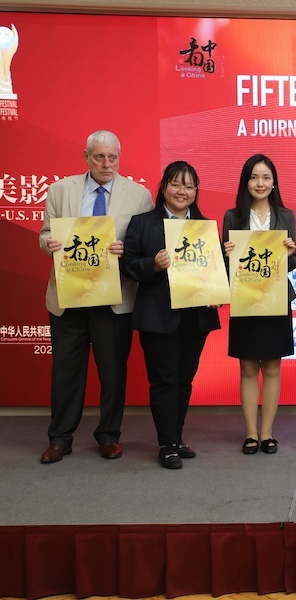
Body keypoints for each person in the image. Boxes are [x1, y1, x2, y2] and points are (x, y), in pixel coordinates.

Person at [38, 130, 153, 464]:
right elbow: (45, 234)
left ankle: (108, 435)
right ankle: (60, 438)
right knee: (66, 371)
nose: (106, 164)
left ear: (119, 158)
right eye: (99, 157)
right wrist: (49, 243)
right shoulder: (60, 190)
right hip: (68, 296)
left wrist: (126, 248)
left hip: (113, 297)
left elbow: (145, 242)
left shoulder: (139, 195)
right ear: (86, 157)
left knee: (113, 372)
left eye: (112, 157)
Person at [122, 161, 221, 469]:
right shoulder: (142, 223)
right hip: (158, 315)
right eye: (176, 184)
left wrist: (216, 294)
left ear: (196, 191)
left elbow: (215, 271)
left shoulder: (204, 226)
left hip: (195, 317)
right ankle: (166, 444)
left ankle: (176, 438)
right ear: (164, 187)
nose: (182, 191)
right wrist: (153, 264)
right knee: (163, 380)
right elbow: (127, 264)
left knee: (183, 380)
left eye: (189, 186)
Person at [222, 155, 296, 455]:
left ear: (274, 182)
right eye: (254, 177)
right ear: (246, 182)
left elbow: (291, 264)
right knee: (247, 367)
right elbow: (227, 265)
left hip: (276, 299)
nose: (260, 183)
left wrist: (290, 254)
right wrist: (225, 252)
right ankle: (251, 433)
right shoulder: (232, 217)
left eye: (266, 177)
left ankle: (267, 433)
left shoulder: (286, 216)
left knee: (273, 367)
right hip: (246, 299)